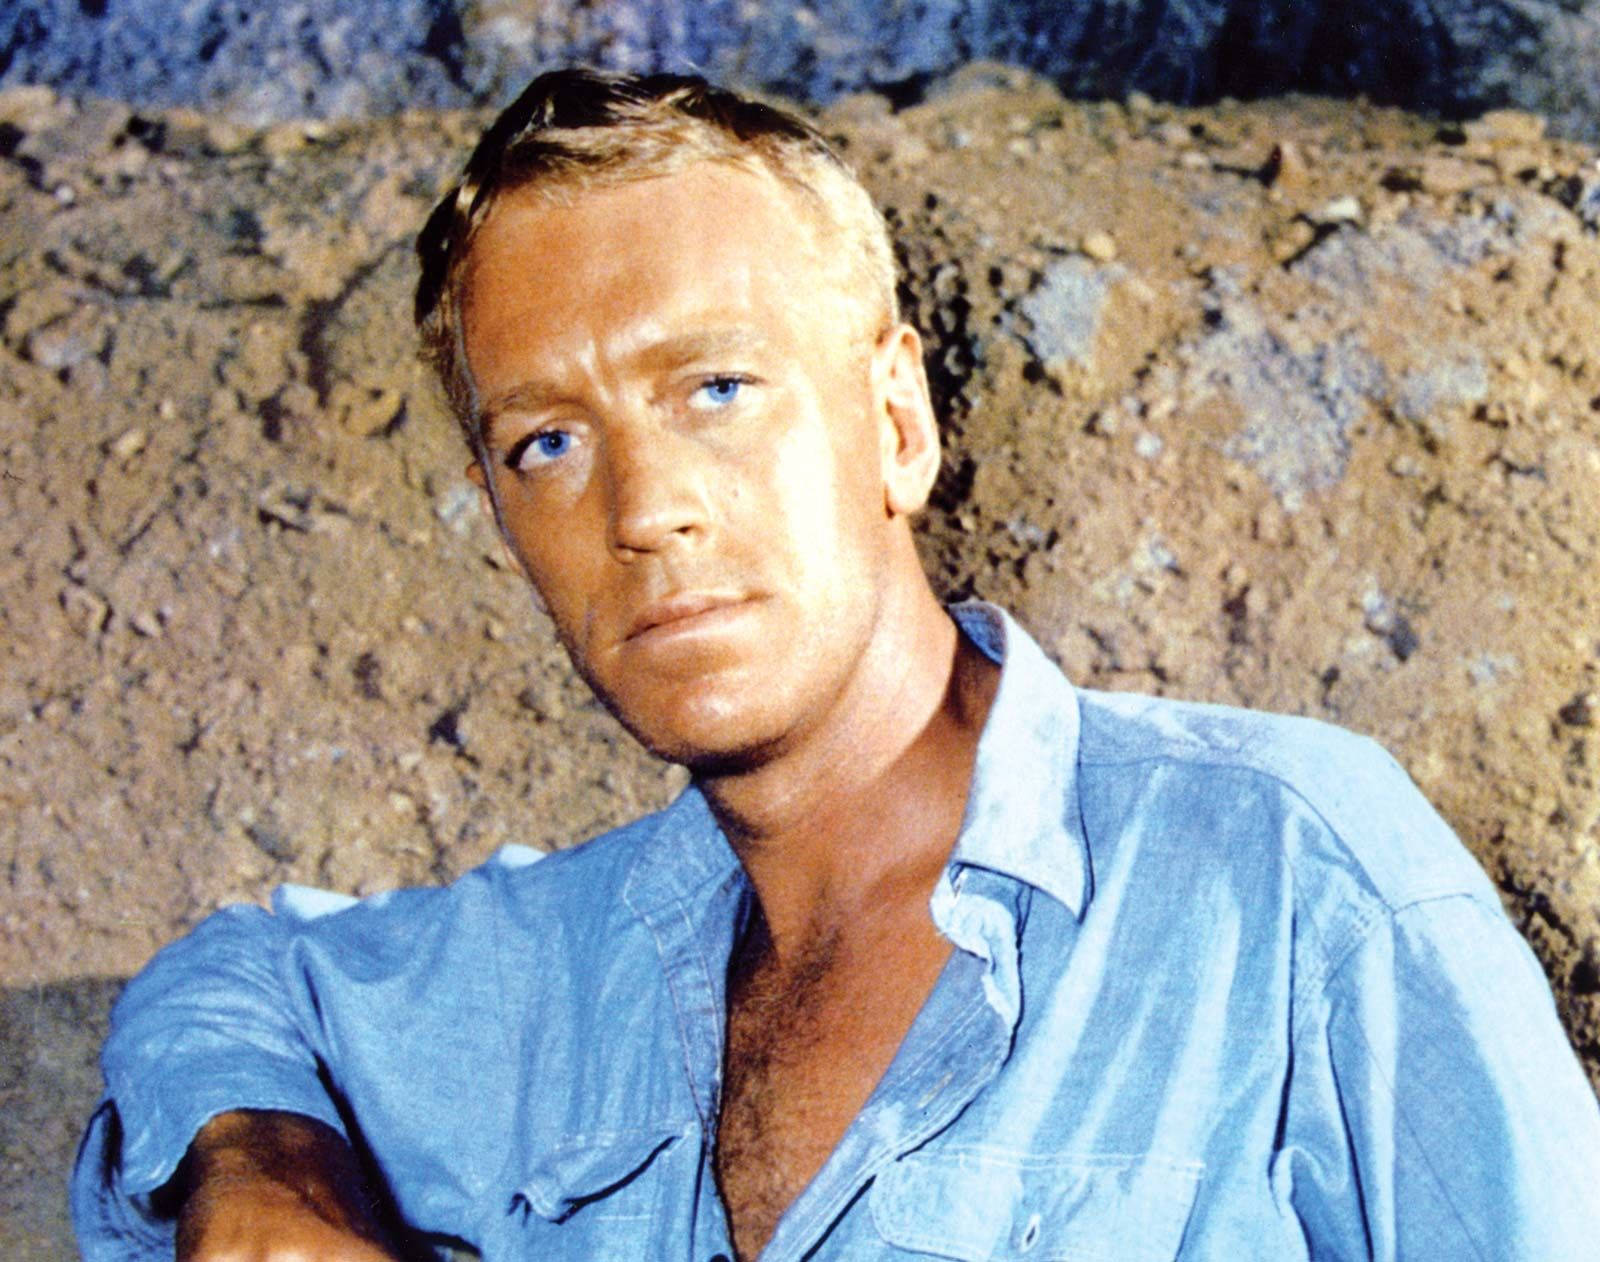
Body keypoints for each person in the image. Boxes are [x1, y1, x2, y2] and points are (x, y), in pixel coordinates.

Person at [72, 69, 1600, 1262]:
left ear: (896, 424)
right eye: (547, 442)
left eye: (718, 388)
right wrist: (259, 1158)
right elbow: (237, 975)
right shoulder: (569, 966)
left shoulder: (1287, 879)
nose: (645, 507)